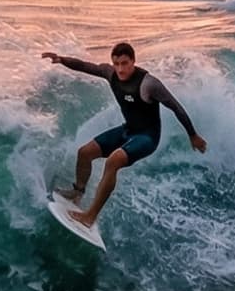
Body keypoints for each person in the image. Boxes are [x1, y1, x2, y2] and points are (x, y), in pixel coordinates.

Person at [41, 43, 206, 227]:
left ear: (133, 61)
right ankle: (77, 194)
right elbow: (86, 66)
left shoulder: (149, 84)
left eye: (125, 63)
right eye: (117, 63)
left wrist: (193, 135)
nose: (120, 68)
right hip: (128, 130)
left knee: (113, 160)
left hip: (147, 138)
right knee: (85, 152)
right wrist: (62, 60)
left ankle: (90, 216)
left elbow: (175, 107)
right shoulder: (110, 73)